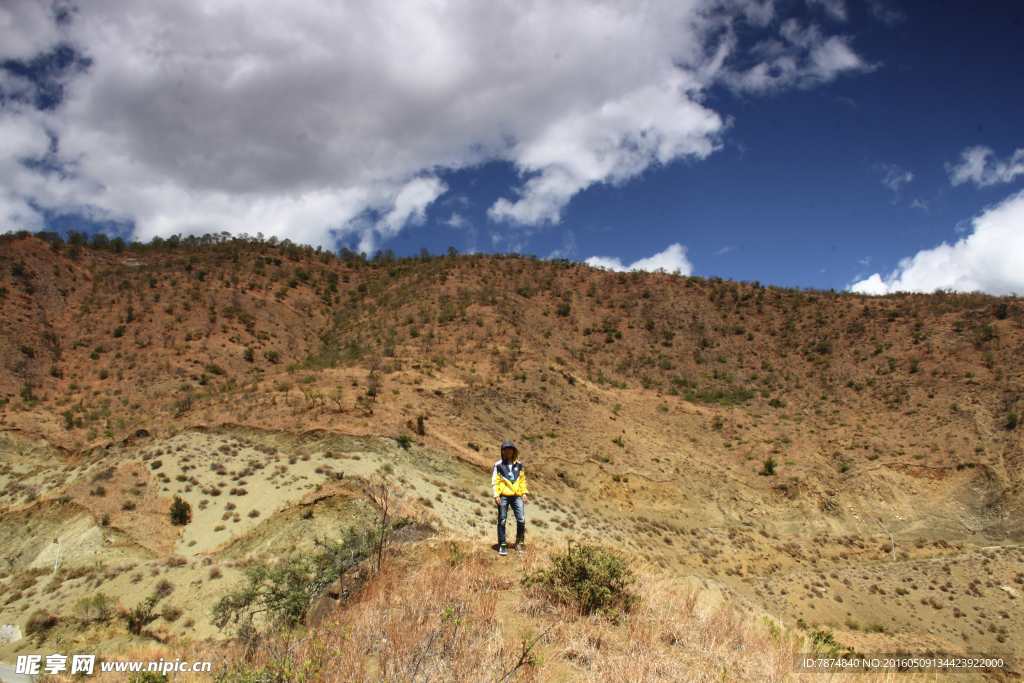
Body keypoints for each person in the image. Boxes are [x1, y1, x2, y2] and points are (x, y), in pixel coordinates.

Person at [492, 440, 528, 555]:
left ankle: (519, 542)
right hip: (504, 496)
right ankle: (502, 543)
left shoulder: (519, 465)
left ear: (514, 451)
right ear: (503, 451)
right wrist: (496, 495)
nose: (508, 451)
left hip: (517, 495)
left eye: (510, 449)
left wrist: (524, 493)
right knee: (502, 520)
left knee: (521, 519)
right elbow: (495, 481)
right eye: (506, 449)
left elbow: (522, 480)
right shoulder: (498, 465)